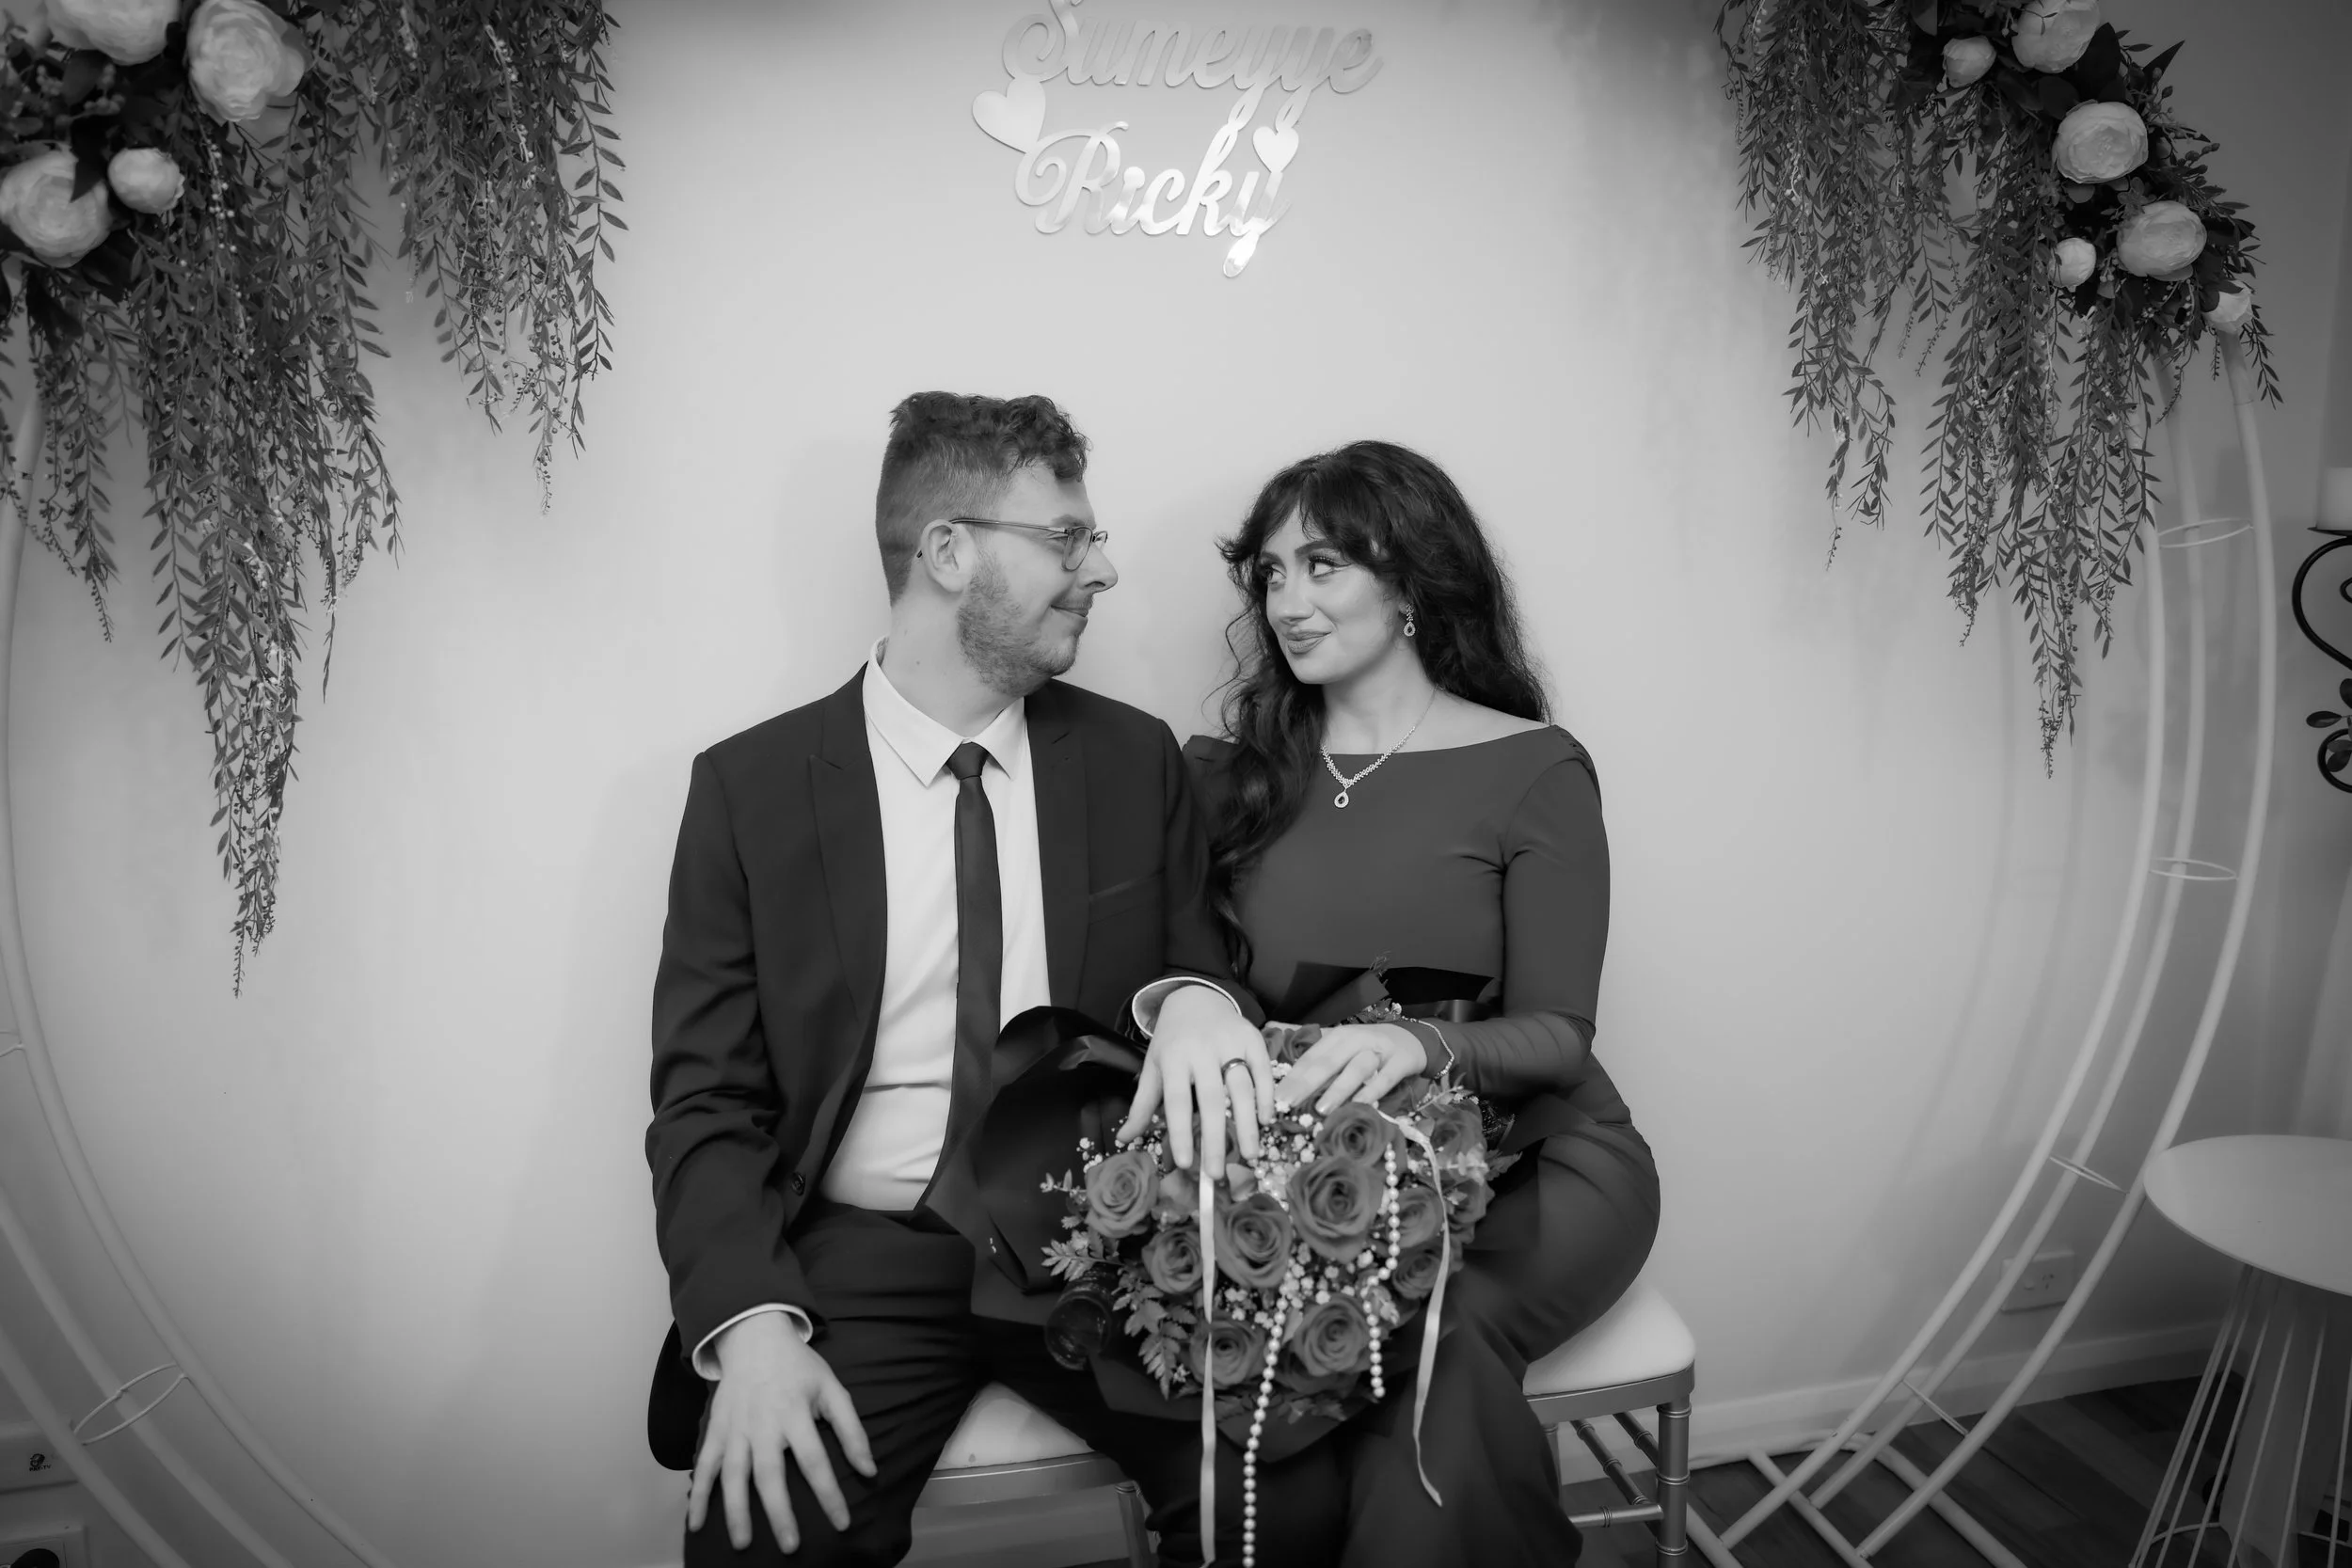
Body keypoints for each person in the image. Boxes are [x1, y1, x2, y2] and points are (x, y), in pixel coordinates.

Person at [644, 392, 1340, 1567]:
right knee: (757, 1534)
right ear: (948, 552)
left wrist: (1199, 1002)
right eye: (1067, 537)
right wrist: (753, 1331)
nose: (1103, 567)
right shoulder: (748, 792)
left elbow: (1194, 967)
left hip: (1096, 1236)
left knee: (1291, 1506)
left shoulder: (1128, 759)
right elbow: (706, 1099)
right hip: (862, 1252)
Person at [1179, 439, 1661, 1567]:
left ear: (1408, 581)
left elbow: (1556, 1035)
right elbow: (1190, 978)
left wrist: (1415, 1039)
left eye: (1323, 565)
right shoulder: (1232, 775)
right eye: (1270, 572)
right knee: (1293, 1373)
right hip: (1320, 1163)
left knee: (1429, 1337)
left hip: (1541, 1161)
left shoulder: (1534, 766)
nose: (1286, 602)